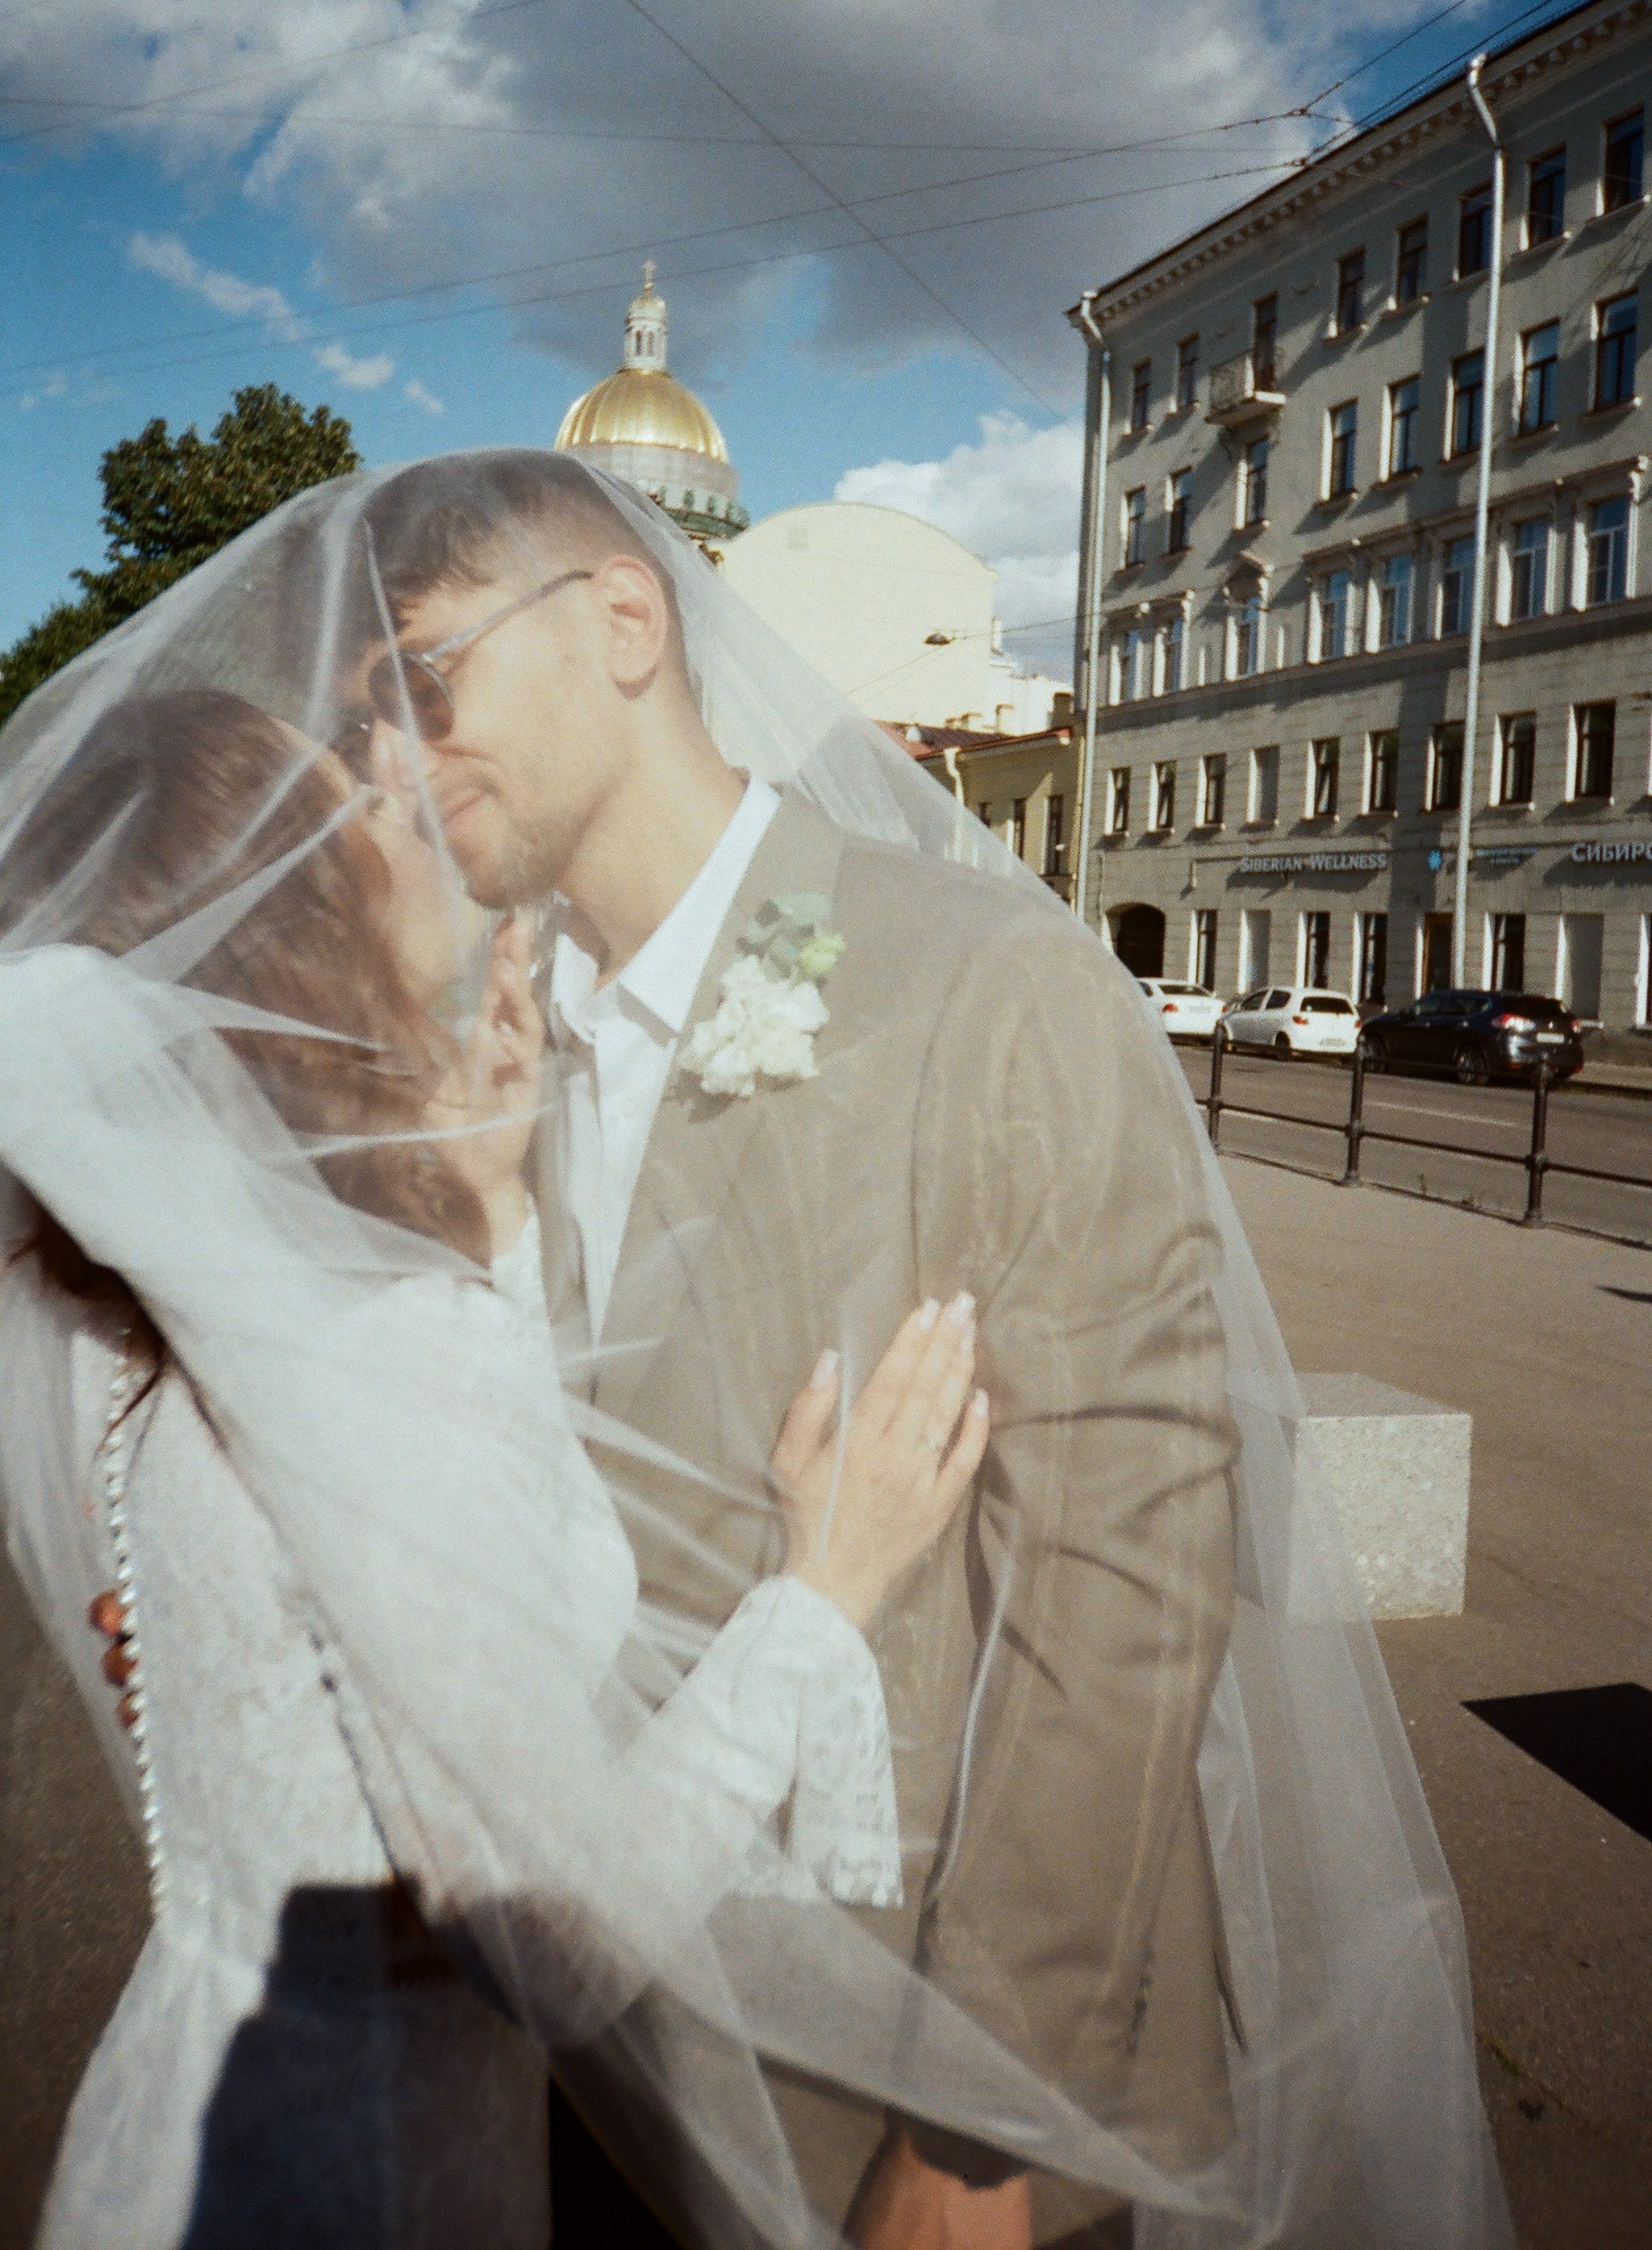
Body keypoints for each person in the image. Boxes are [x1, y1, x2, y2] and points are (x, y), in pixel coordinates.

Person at [3, 450, 1512, 2250]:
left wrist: (976, 2129)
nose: (390, 765)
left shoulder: (985, 981)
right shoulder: (456, 1048)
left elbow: (1122, 1573)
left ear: (622, 621)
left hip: (894, 2067)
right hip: (569, 2057)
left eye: (420, 683)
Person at [0, 688, 987, 2249]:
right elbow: (561, 1937)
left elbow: (405, 1578)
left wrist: (493, 1228)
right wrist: (822, 1592)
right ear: (292, 933)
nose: (427, 827)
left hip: (171, 2120)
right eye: (372, 823)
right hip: (362, 2181)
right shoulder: (379, 1347)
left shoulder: (126, 1313)